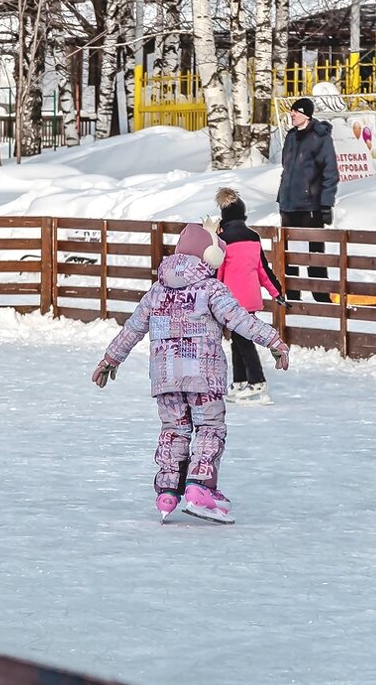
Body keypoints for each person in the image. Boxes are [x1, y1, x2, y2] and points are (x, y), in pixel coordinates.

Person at [91, 223, 290, 524]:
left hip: (166, 376)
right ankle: (200, 487)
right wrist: (273, 340)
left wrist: (111, 358)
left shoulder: (157, 291)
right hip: (203, 375)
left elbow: (133, 328)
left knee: (174, 430)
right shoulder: (210, 289)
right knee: (209, 428)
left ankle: (168, 492)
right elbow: (240, 319)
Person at [215, 187, 286, 405]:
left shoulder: (223, 241)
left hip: (231, 301)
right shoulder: (253, 237)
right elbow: (262, 270)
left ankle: (257, 383)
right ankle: (240, 382)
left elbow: (218, 274)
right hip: (250, 300)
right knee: (238, 340)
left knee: (242, 341)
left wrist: (211, 298)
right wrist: (277, 293)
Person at [278, 97, 338, 302]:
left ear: (306, 114)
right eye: (291, 111)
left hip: (311, 206)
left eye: (296, 111)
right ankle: (292, 296)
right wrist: (282, 196)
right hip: (288, 204)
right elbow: (286, 168)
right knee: (287, 254)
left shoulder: (320, 137)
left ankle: (321, 298)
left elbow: (330, 173)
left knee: (315, 255)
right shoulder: (291, 136)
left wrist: (326, 204)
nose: (292, 114)